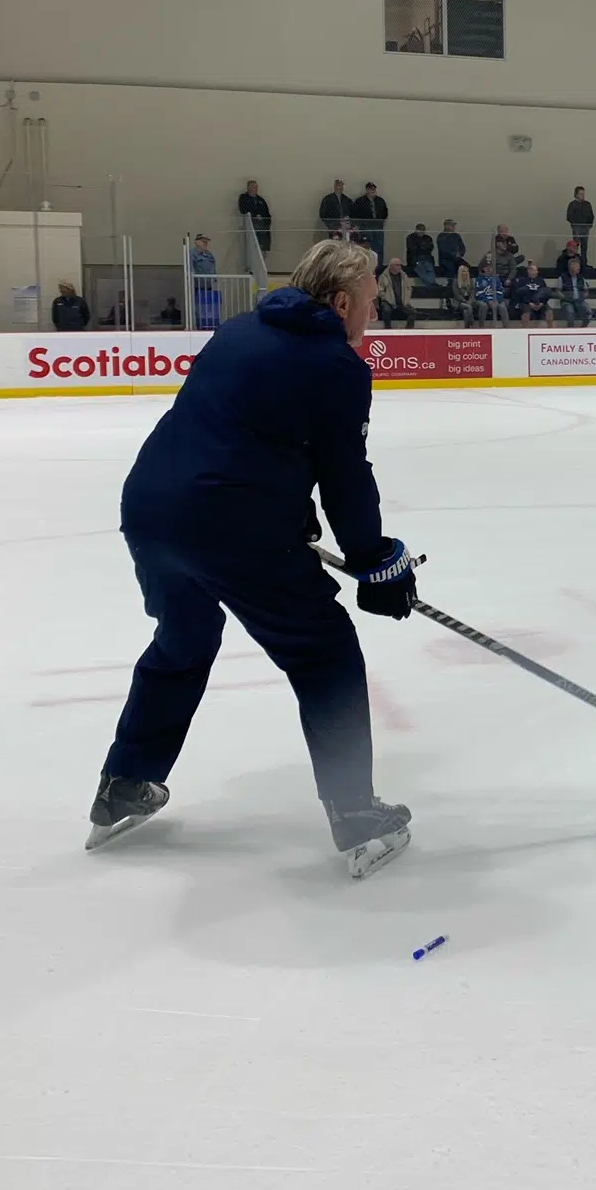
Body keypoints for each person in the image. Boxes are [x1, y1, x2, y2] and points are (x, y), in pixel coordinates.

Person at [88, 239, 418, 877]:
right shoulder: (337, 365)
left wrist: (289, 512)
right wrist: (375, 559)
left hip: (152, 510)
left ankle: (125, 782)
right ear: (341, 302)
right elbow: (345, 475)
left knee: (183, 639)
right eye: (371, 301)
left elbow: (237, 434)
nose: (374, 313)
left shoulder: (239, 331)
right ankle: (356, 813)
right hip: (231, 527)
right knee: (324, 654)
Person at [351, 182, 388, 261]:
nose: (373, 191)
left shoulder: (380, 201)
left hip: (378, 228)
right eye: (371, 189)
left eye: (374, 189)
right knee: (366, 249)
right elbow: (355, 215)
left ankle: (379, 265)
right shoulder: (360, 201)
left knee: (379, 249)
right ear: (367, 190)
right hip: (366, 229)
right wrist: (360, 225)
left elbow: (385, 213)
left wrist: (380, 222)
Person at [376, 258, 415, 329]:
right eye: (397, 265)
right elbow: (380, 290)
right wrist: (386, 298)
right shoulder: (383, 277)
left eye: (400, 265)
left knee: (413, 312)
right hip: (388, 301)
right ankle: (387, 328)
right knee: (386, 310)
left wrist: (406, 299)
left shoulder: (404, 276)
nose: (400, 267)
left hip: (402, 301)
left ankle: (409, 329)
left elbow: (409, 288)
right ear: (391, 266)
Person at [236, 179, 273, 255]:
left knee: (262, 253)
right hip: (252, 229)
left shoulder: (261, 200)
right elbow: (243, 210)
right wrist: (255, 215)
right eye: (253, 186)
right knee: (253, 252)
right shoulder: (244, 198)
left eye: (256, 187)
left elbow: (267, 214)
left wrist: (265, 222)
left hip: (263, 230)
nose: (255, 188)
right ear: (248, 188)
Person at [471, 259, 505, 327]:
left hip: (495, 300)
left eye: (490, 267)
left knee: (502, 307)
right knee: (483, 306)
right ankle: (481, 327)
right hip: (483, 300)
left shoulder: (496, 279)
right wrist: (488, 301)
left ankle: (507, 327)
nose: (489, 269)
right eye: (486, 267)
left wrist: (496, 300)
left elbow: (500, 292)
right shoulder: (479, 279)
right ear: (483, 269)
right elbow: (478, 293)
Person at [557, 258, 591, 326]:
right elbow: (558, 291)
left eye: (579, 266)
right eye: (577, 266)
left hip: (579, 300)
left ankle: (583, 328)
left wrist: (584, 296)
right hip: (567, 301)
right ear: (571, 267)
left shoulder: (581, 278)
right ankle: (570, 330)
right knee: (570, 313)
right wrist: (564, 297)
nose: (579, 268)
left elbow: (586, 290)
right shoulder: (562, 278)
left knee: (589, 312)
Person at [566, 186, 595, 261]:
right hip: (577, 228)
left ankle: (584, 262)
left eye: (583, 194)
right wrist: (574, 224)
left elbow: (591, 215)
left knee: (584, 247)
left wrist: (589, 225)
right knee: (575, 246)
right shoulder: (572, 204)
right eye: (581, 194)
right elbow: (569, 216)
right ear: (576, 194)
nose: (583, 196)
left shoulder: (587, 204)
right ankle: (575, 261)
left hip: (585, 228)